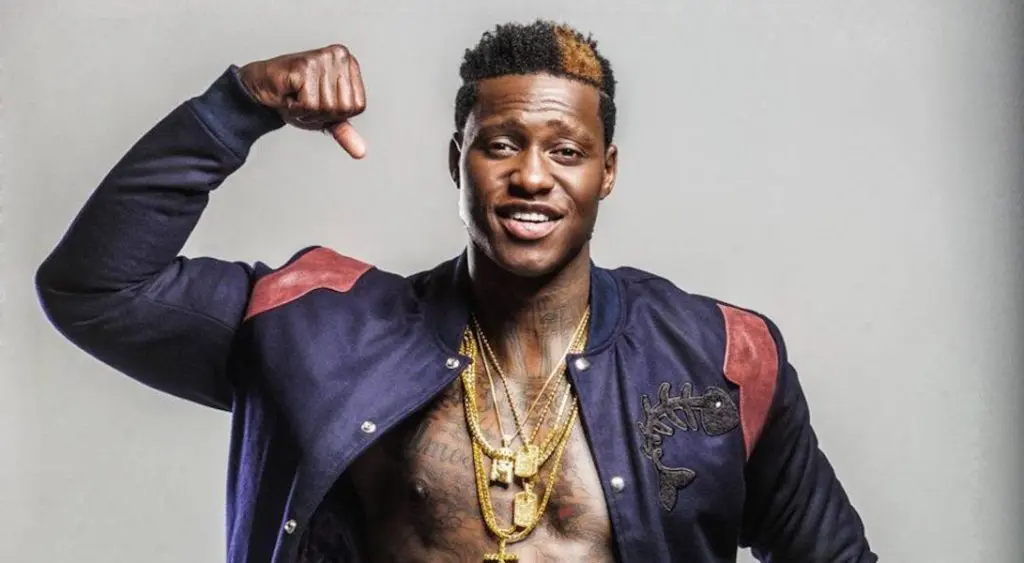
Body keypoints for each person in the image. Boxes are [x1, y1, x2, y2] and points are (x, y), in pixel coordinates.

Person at [35, 19, 877, 563]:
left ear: (608, 171)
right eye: (501, 144)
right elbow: (96, 289)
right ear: (457, 160)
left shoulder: (719, 359)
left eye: (567, 151)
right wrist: (239, 105)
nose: (533, 177)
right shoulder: (321, 333)